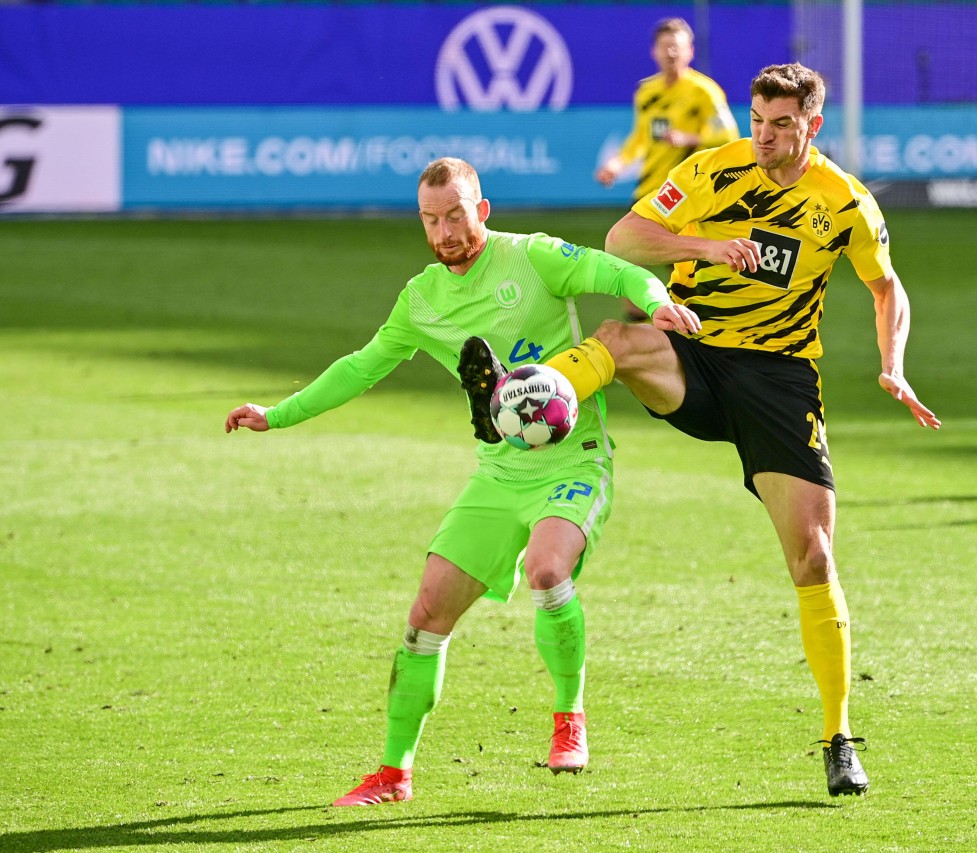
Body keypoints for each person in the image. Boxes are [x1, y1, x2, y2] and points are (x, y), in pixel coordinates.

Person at [460, 63, 939, 798]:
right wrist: (706, 249)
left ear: (813, 125)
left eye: (783, 124)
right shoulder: (712, 171)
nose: (766, 135)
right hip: (693, 348)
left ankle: (838, 736)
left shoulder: (844, 202)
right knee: (620, 340)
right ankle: (514, 402)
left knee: (813, 555)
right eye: (758, 118)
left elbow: (885, 285)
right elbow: (625, 237)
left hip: (778, 380)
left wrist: (893, 363)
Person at [224, 157, 701, 807]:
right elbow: (361, 367)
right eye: (430, 219)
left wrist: (655, 301)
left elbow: (614, 269)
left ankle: (570, 718)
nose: (445, 231)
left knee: (546, 568)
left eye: (455, 215)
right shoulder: (422, 298)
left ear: (482, 209)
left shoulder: (532, 257)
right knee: (425, 616)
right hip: (498, 474)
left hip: (573, 460)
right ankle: (394, 774)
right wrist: (276, 414)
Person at [595, 16, 739, 321]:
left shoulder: (705, 91)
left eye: (677, 47)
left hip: (687, 194)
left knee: (688, 272)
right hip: (650, 191)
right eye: (665, 47)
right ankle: (639, 331)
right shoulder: (646, 92)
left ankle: (694, 333)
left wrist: (689, 137)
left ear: (690, 51)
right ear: (654, 52)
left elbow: (728, 136)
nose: (671, 53)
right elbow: (640, 138)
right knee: (628, 261)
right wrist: (617, 163)